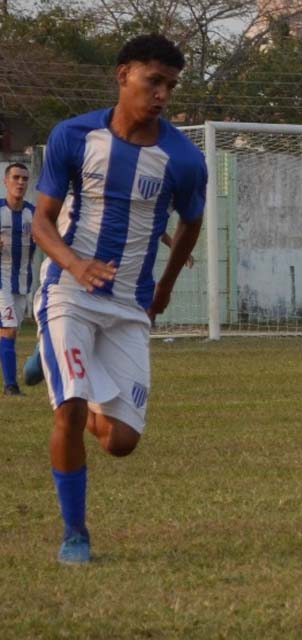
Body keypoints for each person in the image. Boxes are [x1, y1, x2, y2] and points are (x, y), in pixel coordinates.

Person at [31, 33, 207, 565]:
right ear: (123, 75)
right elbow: (42, 220)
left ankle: (56, 366)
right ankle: (75, 534)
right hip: (69, 293)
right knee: (70, 409)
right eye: (153, 81)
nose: (162, 95)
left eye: (170, 86)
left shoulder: (183, 158)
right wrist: (75, 264)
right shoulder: (73, 136)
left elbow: (191, 226)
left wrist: (166, 287)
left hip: (129, 305)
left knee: (122, 441)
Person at [21, 230, 194, 388]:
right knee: (33, 373)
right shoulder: (73, 206)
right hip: (70, 283)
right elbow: (45, 223)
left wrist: (174, 245)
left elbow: (152, 218)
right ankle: (45, 350)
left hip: (121, 282)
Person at [0, 163, 36, 396]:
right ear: (6, 181)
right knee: (9, 330)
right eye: (15, 177)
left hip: (23, 283)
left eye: (24, 178)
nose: (20, 182)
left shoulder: (33, 213)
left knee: (9, 331)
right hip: (1, 281)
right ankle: (11, 386)